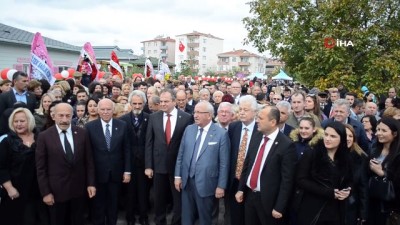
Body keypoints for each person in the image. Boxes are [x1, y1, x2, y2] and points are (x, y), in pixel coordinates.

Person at [235, 105, 297, 225]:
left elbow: (287, 180)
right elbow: (247, 165)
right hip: (249, 196)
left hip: (269, 202)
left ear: (273, 122)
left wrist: (279, 206)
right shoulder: (257, 136)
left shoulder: (286, 145)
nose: (257, 120)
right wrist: (241, 189)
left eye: (260, 118)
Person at [36, 103, 96, 225]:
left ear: (72, 116)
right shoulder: (44, 136)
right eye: (61, 116)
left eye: (67, 116)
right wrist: (46, 193)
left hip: (78, 191)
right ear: (54, 116)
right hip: (56, 193)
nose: (64, 119)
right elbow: (41, 168)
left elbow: (89, 161)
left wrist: (91, 183)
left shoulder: (82, 133)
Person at [174, 101, 230, 225]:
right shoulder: (189, 129)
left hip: (207, 183)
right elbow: (181, 154)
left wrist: (221, 186)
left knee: (206, 218)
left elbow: (224, 163)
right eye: (195, 112)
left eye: (199, 112)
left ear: (209, 115)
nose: (195, 115)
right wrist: (177, 176)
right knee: (186, 217)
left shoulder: (221, 134)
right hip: (187, 181)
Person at [145, 89, 192, 225]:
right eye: (161, 101)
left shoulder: (186, 118)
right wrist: (148, 165)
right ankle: (160, 222)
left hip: (178, 168)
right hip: (158, 166)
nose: (163, 104)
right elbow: (149, 142)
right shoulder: (153, 117)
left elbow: (188, 144)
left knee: (178, 200)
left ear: (174, 101)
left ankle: (176, 222)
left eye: (166, 101)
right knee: (159, 199)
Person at [296, 121, 353, 225]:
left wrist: (347, 190)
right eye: (326, 134)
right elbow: (301, 180)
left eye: (332, 136)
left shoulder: (345, 157)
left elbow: (349, 179)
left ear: (341, 139)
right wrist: (328, 192)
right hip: (313, 208)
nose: (327, 138)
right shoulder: (312, 153)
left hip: (336, 210)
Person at [85, 98, 131, 225]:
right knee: (98, 207)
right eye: (103, 109)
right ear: (98, 110)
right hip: (98, 175)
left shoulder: (122, 125)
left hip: (116, 174)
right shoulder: (89, 127)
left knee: (113, 206)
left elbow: (126, 150)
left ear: (113, 110)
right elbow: (88, 154)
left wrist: (127, 171)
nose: (105, 112)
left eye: (108, 109)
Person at [0, 108, 48, 225]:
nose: (18, 124)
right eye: (15, 121)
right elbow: (1, 167)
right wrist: (10, 188)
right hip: (16, 192)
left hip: (39, 190)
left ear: (30, 121)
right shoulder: (7, 141)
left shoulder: (41, 136)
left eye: (22, 121)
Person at [119, 91, 151, 225]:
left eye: (140, 104)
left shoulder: (150, 118)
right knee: (130, 192)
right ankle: (130, 217)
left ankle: (144, 217)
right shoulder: (122, 120)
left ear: (144, 104)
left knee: (144, 192)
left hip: (145, 162)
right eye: (134, 103)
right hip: (128, 162)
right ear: (130, 104)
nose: (137, 106)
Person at [226, 95, 259, 225]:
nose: (242, 112)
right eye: (240, 109)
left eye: (246, 109)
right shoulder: (233, 127)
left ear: (255, 112)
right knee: (235, 216)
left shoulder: (260, 130)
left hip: (251, 182)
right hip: (234, 180)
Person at [368, 117, 400, 225]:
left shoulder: (397, 155)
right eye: (378, 130)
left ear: (395, 134)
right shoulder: (374, 150)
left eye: (383, 130)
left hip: (390, 206)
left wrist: (382, 173)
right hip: (372, 202)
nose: (378, 133)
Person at [344, 124, 369, 225]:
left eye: (350, 136)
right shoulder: (329, 155)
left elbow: (363, 188)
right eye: (345, 135)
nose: (348, 138)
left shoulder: (360, 157)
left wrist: (363, 214)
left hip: (351, 207)